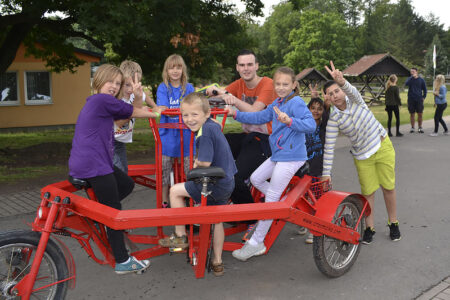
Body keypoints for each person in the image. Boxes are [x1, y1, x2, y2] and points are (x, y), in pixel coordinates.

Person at [68, 64, 160, 274]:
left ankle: (99, 215)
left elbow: (123, 118)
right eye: (110, 81)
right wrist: (155, 113)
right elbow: (133, 111)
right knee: (114, 212)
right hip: (94, 165)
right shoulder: (102, 100)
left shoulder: (97, 102)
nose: (114, 86)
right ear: (98, 81)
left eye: (117, 83)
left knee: (126, 183)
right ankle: (122, 260)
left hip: (90, 162)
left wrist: (138, 99)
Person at [228, 67, 316, 261]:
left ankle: (256, 242)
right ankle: (282, 203)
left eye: (285, 84)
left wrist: (290, 121)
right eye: (278, 84)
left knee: (272, 198)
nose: (281, 87)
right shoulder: (277, 102)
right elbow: (258, 117)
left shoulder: (296, 103)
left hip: (292, 156)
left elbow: (311, 125)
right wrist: (235, 114)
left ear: (294, 85)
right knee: (255, 178)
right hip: (279, 154)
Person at [321, 61, 401, 244]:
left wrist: (341, 82)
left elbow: (352, 91)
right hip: (362, 156)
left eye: (337, 91)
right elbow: (329, 147)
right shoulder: (334, 118)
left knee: (388, 188)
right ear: (327, 98)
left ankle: (393, 223)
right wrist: (326, 174)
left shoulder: (355, 100)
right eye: (330, 94)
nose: (335, 96)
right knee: (368, 193)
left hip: (382, 147)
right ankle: (369, 227)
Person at [158, 92, 237, 276]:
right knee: (216, 221)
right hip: (227, 182)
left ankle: (180, 235)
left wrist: (195, 164)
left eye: (194, 115)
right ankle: (217, 261)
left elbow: (205, 163)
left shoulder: (204, 133)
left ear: (206, 113)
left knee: (175, 191)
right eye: (185, 115)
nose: (189, 119)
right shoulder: (212, 126)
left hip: (214, 184)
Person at [206, 49, 277, 207]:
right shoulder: (238, 84)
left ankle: (248, 217)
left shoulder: (267, 84)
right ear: (237, 67)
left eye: (250, 64)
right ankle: (212, 199)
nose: (246, 68)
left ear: (257, 66)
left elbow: (255, 112)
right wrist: (212, 91)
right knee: (215, 145)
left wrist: (233, 99)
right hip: (248, 136)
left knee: (234, 175)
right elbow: (215, 98)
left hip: (267, 140)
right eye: (242, 65)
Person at [157, 54, 195, 208]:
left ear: (183, 70)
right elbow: (164, 108)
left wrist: (183, 110)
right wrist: (182, 109)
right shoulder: (163, 87)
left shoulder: (189, 87)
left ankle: (189, 199)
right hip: (168, 135)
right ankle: (165, 201)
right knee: (164, 170)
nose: (175, 71)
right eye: (172, 67)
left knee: (190, 170)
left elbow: (192, 106)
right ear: (167, 70)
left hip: (186, 134)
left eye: (178, 67)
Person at [113, 60, 163, 173]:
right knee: (118, 174)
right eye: (127, 85)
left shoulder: (136, 94)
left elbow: (146, 99)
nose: (130, 89)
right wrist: (141, 110)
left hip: (120, 142)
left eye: (135, 85)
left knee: (123, 172)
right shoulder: (117, 99)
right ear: (120, 82)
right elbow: (121, 121)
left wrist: (155, 107)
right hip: (109, 141)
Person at [405, 67, 427, 133]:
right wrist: (412, 77)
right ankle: (412, 127)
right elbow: (406, 84)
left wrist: (424, 97)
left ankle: (420, 127)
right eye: (411, 71)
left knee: (420, 114)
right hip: (411, 99)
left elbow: (425, 89)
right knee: (412, 114)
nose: (412, 73)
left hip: (419, 99)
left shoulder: (421, 80)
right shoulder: (409, 79)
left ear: (416, 72)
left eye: (413, 71)